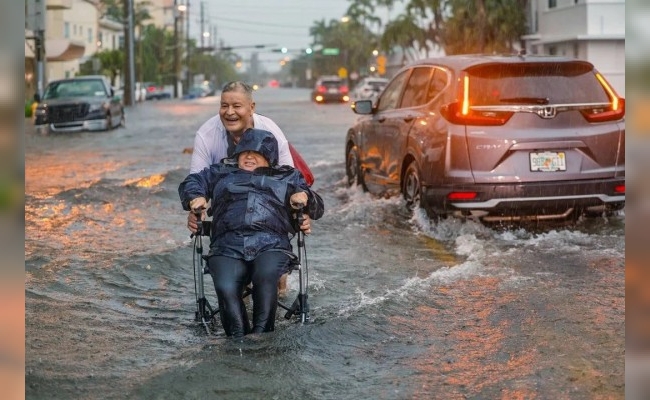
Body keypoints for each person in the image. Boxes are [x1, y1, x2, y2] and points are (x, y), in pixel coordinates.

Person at [179, 128, 324, 337]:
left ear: (269, 157)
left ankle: (261, 338)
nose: (248, 157)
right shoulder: (221, 171)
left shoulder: (287, 176)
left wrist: (304, 196)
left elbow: (318, 209)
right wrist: (195, 197)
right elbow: (192, 182)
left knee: (266, 276)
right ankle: (237, 338)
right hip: (227, 244)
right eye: (244, 152)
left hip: (271, 244)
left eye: (256, 153)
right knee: (225, 284)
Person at [186, 81, 312, 234]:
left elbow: (289, 179)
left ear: (252, 108)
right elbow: (196, 180)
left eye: (237, 106)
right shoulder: (206, 135)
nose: (229, 112)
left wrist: (301, 211)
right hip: (228, 214)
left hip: (267, 215)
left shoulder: (271, 132)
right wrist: (195, 207)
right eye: (224, 106)